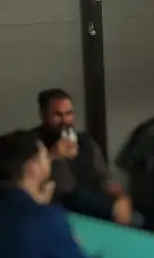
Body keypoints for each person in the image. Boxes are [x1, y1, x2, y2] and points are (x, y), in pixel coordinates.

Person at [0, 130, 98, 258]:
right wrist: (73, 246)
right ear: (32, 168)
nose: (49, 161)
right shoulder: (47, 218)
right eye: (46, 156)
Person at [34, 88, 132, 224]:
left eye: (68, 114)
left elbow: (103, 178)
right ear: (43, 115)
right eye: (58, 115)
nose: (64, 120)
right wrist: (53, 155)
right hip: (56, 205)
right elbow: (23, 182)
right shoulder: (33, 143)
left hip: (92, 201)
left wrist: (120, 196)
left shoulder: (85, 141)